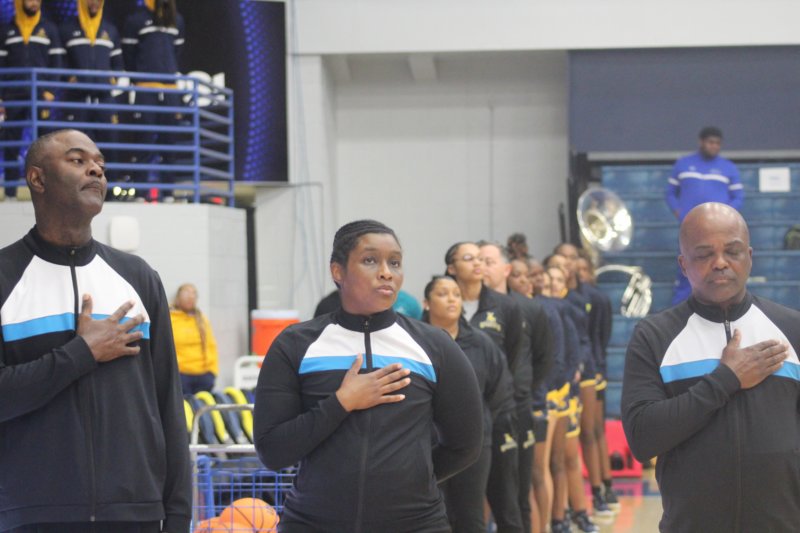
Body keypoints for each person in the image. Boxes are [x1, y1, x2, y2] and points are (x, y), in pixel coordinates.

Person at [0, 129, 191, 531]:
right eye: (77, 160)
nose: (96, 170)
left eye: (100, 164)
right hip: (32, 516)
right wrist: (80, 353)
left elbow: (168, 405)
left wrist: (177, 515)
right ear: (37, 178)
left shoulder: (138, 277)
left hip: (136, 513)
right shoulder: (5, 277)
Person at [254, 220, 483, 532]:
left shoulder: (434, 345)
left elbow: (465, 444)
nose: (386, 272)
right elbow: (272, 451)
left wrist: (412, 482)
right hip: (313, 523)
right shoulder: (295, 344)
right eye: (370, 260)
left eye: (395, 262)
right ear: (338, 271)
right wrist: (341, 402)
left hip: (416, 524)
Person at [622, 202, 800, 532]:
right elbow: (642, 438)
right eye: (704, 254)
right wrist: (726, 379)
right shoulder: (655, 336)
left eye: (732, 251)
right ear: (683, 264)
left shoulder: (792, 329)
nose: (720, 263)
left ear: (750, 256)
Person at [423, 275, 515, 533]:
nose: (451, 299)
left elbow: (497, 391)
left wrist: (476, 420)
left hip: (473, 444)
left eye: (456, 294)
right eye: (443, 294)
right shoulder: (414, 342)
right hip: (424, 442)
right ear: (426, 303)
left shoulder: (481, 342)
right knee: (432, 515)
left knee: (470, 516)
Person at [445, 240, 525, 533]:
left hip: (497, 415)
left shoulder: (506, 306)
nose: (478, 263)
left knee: (506, 503)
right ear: (451, 268)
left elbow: (512, 359)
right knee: (460, 509)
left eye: (480, 258)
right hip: (452, 424)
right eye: (469, 258)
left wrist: (490, 407)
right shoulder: (442, 305)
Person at [480, 241, 553, 533]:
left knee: (519, 492)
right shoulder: (464, 307)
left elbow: (543, 358)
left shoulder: (527, 308)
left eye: (489, 261)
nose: (481, 267)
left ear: (506, 269)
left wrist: (518, 390)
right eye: (477, 261)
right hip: (477, 410)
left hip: (517, 407)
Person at [554, 244, 617, 515]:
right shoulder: (550, 301)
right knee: (565, 445)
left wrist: (597, 365)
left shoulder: (590, 298)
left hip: (589, 369)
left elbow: (599, 336)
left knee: (591, 431)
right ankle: (569, 504)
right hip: (560, 376)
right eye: (562, 260)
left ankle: (602, 489)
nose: (567, 264)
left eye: (572, 259)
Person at [666, 126, 744, 305]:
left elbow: (738, 197)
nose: (714, 146)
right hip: (691, 229)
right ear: (701, 142)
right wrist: (679, 213)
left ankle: (720, 308)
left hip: (720, 232)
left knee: (719, 269)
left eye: (717, 143)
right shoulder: (683, 164)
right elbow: (670, 194)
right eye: (710, 142)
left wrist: (725, 218)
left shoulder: (728, 168)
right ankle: (680, 310)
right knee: (688, 269)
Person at [0, 0, 65, 198]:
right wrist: (1, 96)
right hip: (13, 95)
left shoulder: (49, 28)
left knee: (44, 146)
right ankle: (10, 191)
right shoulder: (6, 30)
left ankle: (44, 192)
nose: (34, 2)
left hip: (41, 94)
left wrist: (50, 90)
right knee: (11, 142)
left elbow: (57, 63)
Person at [122, 0, 186, 199]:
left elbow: (177, 53)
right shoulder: (135, 20)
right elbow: (129, 56)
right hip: (145, 89)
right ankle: (140, 193)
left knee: (169, 143)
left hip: (170, 90)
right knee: (144, 141)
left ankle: (168, 193)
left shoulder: (177, 20)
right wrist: (143, 79)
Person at [59, 0, 123, 178]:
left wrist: (112, 79)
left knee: (109, 148)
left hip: (104, 100)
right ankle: (75, 188)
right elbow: (60, 63)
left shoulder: (110, 30)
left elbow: (118, 64)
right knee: (75, 150)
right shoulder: (67, 29)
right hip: (76, 100)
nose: (94, 3)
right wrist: (69, 79)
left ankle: (110, 188)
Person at [170, 282, 219, 395]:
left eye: (193, 294)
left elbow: (211, 345)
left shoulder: (201, 319)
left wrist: (212, 371)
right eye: (186, 294)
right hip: (181, 375)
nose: (190, 297)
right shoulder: (170, 318)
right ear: (178, 298)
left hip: (204, 376)